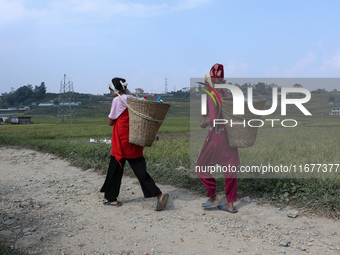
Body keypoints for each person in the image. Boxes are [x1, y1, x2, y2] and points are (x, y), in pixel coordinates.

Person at [100, 77, 169, 211]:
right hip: (134, 139)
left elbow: (110, 121)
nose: (110, 92)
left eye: (110, 89)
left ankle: (112, 199)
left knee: (115, 170)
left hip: (121, 141)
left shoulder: (117, 100)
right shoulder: (133, 99)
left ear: (114, 89)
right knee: (140, 171)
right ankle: (159, 195)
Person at [196, 63, 240, 213]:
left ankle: (213, 196)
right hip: (231, 136)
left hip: (217, 136)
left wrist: (204, 124)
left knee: (201, 166)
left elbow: (213, 119)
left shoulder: (211, 93)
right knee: (230, 170)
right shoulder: (226, 94)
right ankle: (230, 204)